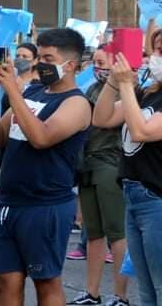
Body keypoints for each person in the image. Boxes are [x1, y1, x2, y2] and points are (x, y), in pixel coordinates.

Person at [0, 28, 90, 306]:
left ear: (71, 65)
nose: (40, 64)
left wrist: (13, 93)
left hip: (46, 206)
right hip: (9, 203)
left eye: (47, 57)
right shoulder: (34, 91)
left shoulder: (76, 103)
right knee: (6, 282)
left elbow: (41, 138)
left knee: (46, 283)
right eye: (39, 56)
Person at [92, 35, 162, 306]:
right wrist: (114, 81)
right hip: (135, 196)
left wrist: (125, 84)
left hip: (156, 197)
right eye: (156, 50)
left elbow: (141, 131)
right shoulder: (150, 92)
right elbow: (102, 118)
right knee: (146, 291)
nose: (154, 57)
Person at [68, 46, 129, 306]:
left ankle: (121, 297)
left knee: (117, 233)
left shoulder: (128, 89)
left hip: (110, 162)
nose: (98, 67)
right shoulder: (93, 87)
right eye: (95, 62)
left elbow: (103, 118)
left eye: (103, 62)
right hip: (88, 164)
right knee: (93, 234)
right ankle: (92, 293)